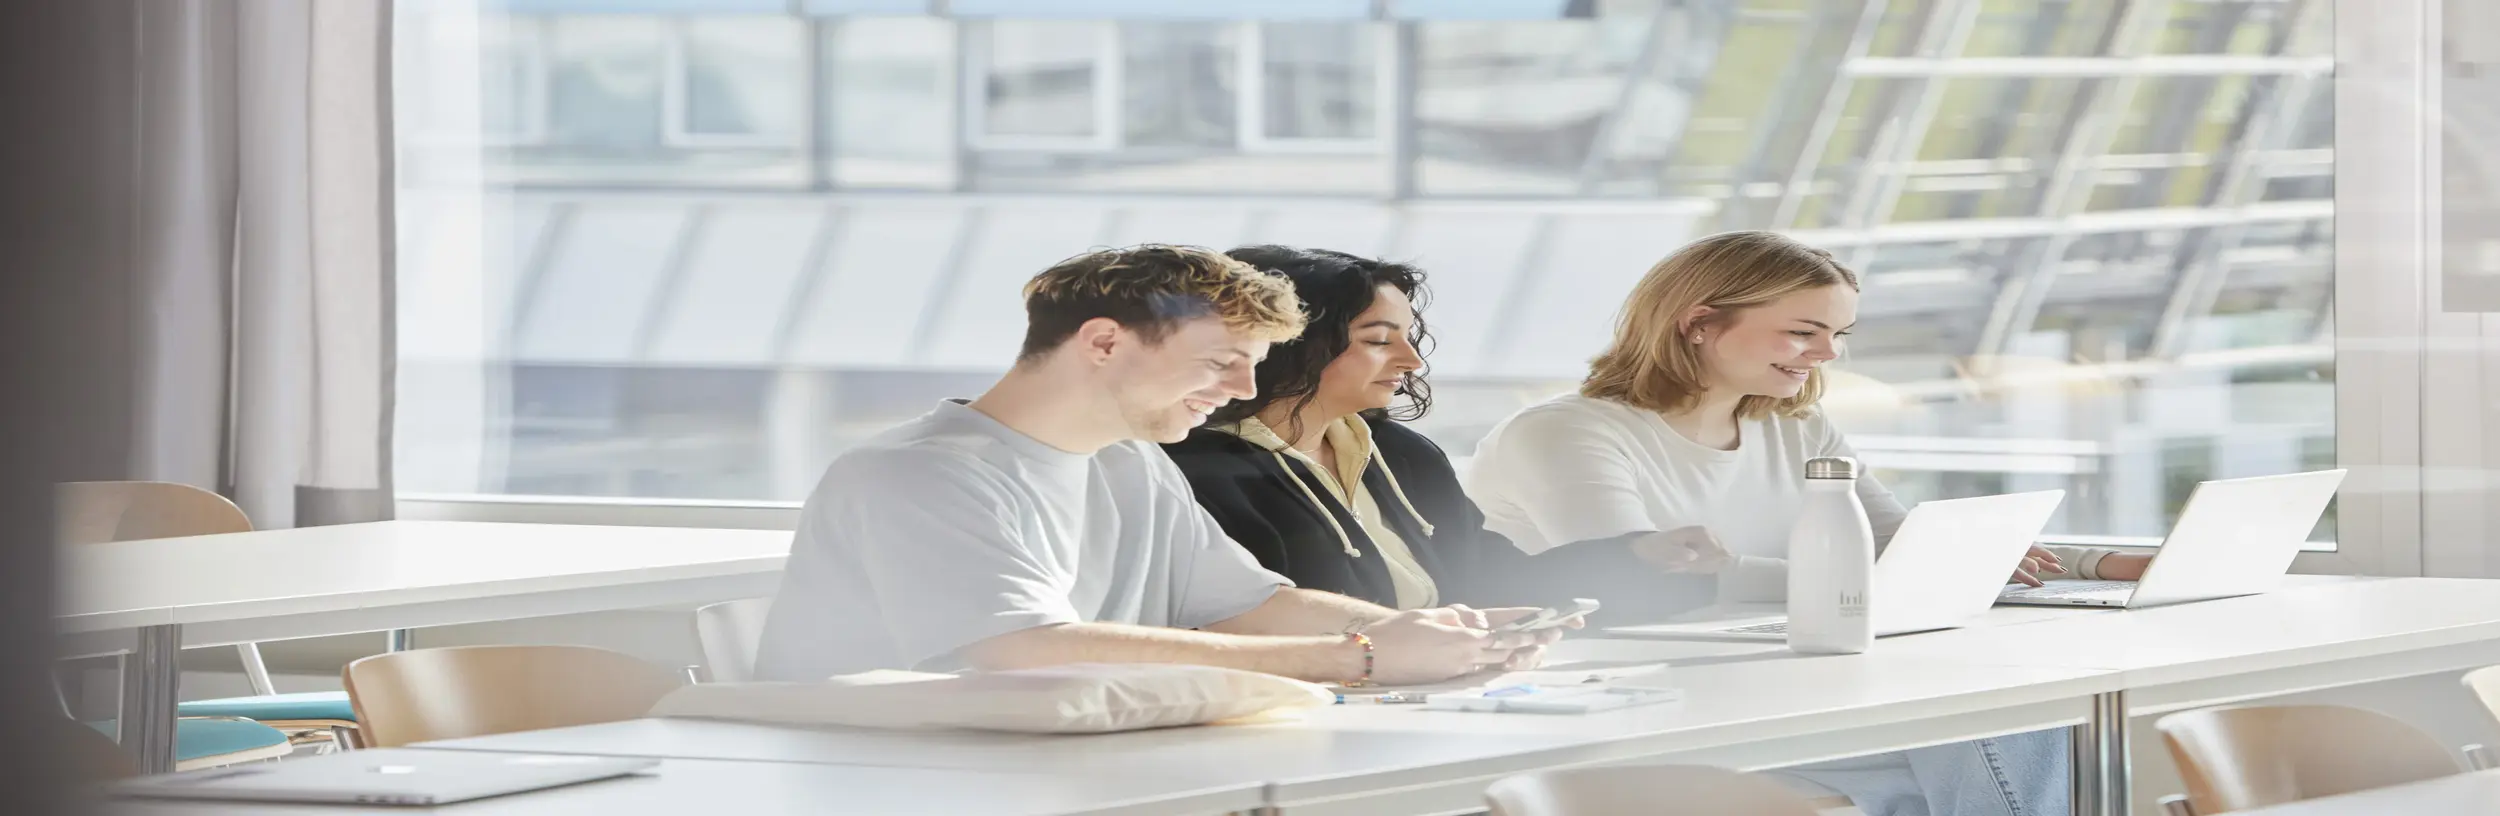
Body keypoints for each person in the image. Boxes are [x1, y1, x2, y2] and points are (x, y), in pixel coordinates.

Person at [1463, 231, 2151, 816]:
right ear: (1698, 323)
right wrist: (1862, 589)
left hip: (1780, 695)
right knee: (1991, 733)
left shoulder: (1795, 425)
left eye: (1837, 334)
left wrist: (2097, 565)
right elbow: (1648, 582)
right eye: (1804, 331)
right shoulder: (1564, 434)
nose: (1828, 354)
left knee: (2019, 725)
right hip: (1640, 706)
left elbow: (1904, 548)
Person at [751, 244, 1562, 688]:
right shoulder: (918, 475)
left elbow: (1248, 603)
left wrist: (1428, 633)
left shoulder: (1130, 463)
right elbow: (1020, 649)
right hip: (888, 783)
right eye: (1220, 363)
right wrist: (1362, 658)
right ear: (1103, 343)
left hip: (1050, 768)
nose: (1245, 390)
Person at [1163, 245, 1684, 613]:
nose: (1411, 360)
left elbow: (1489, 577)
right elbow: (1252, 619)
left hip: (1442, 690)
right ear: (1290, 342)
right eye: (1378, 339)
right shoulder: (1194, 472)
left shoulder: (1402, 453)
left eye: (1408, 337)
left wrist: (1637, 559)